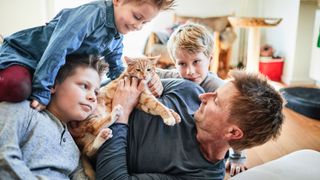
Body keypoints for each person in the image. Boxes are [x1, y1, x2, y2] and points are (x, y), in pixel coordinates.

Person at [94, 69, 284, 179]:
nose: (203, 96)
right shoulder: (187, 90)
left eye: (215, 100)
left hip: (89, 146)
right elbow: (124, 81)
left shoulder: (201, 175)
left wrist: (121, 113)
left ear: (233, 132)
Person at [0, 0, 175, 110]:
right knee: (16, 87)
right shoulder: (92, 14)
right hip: (24, 55)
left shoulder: (116, 37)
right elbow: (57, 50)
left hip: (45, 68)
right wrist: (41, 91)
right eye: (137, 17)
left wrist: (141, 84)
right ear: (118, 0)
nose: (138, 26)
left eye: (145, 23)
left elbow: (117, 71)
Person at [156, 22, 246, 175]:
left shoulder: (218, 87)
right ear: (174, 63)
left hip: (209, 147)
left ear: (210, 59)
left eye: (196, 62)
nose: (190, 71)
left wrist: (237, 157)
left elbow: (237, 120)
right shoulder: (174, 76)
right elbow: (155, 72)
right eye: (182, 64)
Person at [0, 55, 109, 179]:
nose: (93, 97)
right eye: (84, 86)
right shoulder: (22, 110)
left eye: (96, 92)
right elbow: (4, 156)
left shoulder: (74, 148)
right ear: (52, 85)